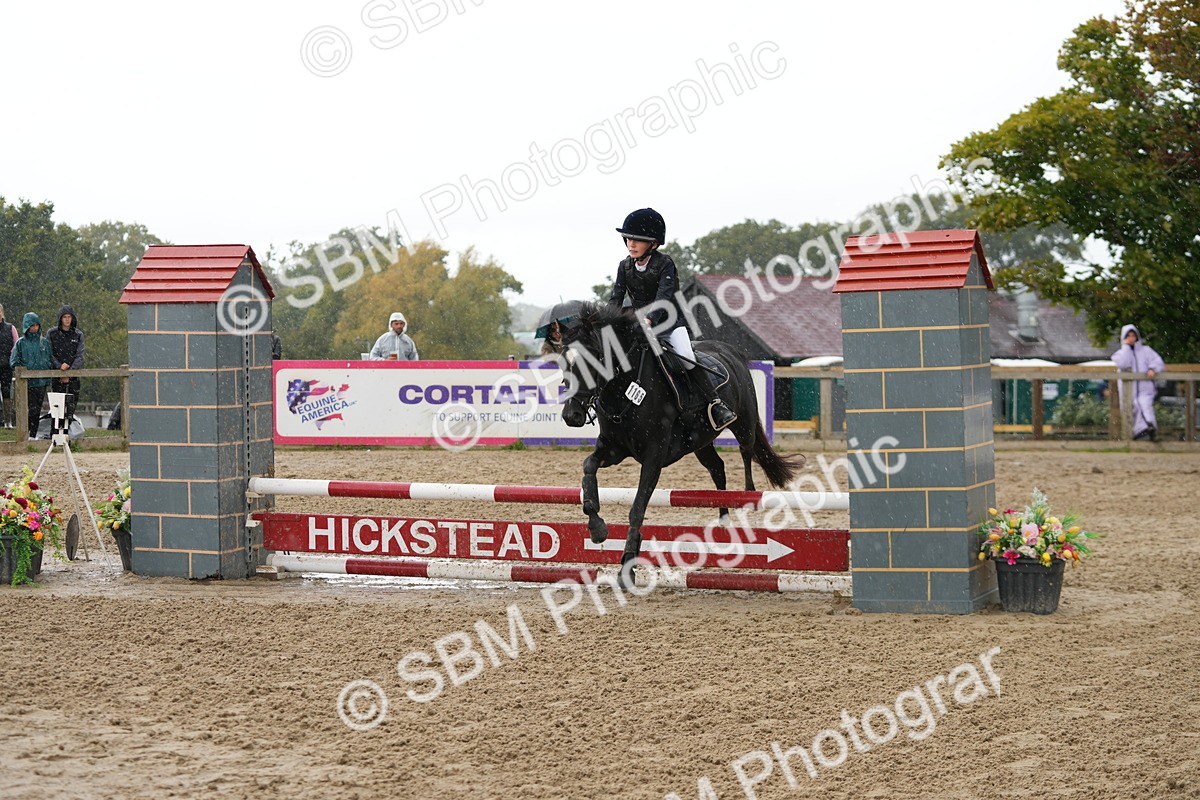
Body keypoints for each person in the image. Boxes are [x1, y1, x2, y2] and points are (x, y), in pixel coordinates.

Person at [608, 207, 736, 430]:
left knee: (686, 357)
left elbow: (664, 298)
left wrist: (648, 320)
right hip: (640, 328)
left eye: (638, 240)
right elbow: (615, 298)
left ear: (653, 244)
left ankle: (716, 403)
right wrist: (606, 322)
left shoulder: (665, 263)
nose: (631, 244)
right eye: (628, 238)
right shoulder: (624, 266)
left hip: (669, 325)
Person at [1111, 323, 1165, 441]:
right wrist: (1126, 348)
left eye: (1133, 335)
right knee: (1133, 406)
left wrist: (1152, 369)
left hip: (1145, 388)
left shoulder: (1146, 351)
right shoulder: (1121, 353)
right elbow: (1123, 363)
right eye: (1128, 336)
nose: (1131, 338)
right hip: (1129, 389)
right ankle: (1138, 431)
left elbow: (1158, 361)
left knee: (1145, 405)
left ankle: (1149, 428)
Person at [9, 312, 55, 438]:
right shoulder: (20, 343)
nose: (34, 328)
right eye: (32, 325)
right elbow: (14, 361)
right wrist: (25, 370)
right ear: (27, 326)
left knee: (37, 409)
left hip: (41, 381)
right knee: (28, 409)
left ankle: (33, 434)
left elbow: (50, 359)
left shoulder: (44, 343)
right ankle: (26, 433)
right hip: (26, 382)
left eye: (36, 325)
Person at [47, 305, 85, 424]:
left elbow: (80, 355)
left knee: (70, 409)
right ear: (60, 318)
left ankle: (68, 434)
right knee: (57, 409)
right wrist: (59, 367)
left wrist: (70, 371)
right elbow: (49, 354)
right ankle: (55, 434)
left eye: (69, 317)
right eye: (65, 317)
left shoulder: (78, 335)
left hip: (73, 377)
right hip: (56, 376)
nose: (67, 319)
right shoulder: (52, 334)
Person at [0, 304, 17, 428]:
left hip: (6, 365)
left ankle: (7, 421)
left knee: (7, 392)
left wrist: (11, 360)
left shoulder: (10, 328)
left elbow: (16, 346)